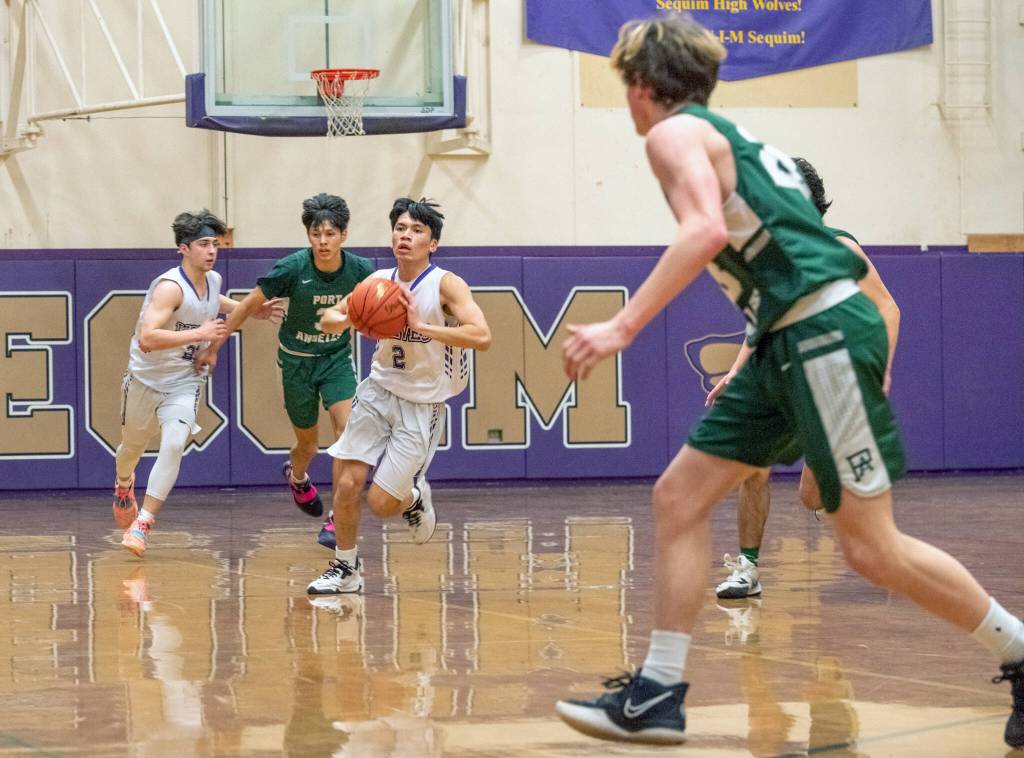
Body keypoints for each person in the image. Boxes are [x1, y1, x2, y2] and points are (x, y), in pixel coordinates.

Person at [555, 16, 1024, 749]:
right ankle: (660, 693)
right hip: (786, 339)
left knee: (872, 549)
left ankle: (1019, 648)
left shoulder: (673, 134)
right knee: (679, 496)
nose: (627, 100)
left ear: (642, 86)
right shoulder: (734, 140)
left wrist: (623, 325)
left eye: (625, 86)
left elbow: (704, 232)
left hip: (822, 336)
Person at [711, 157, 901, 601]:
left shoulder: (841, 249)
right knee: (752, 469)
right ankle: (748, 568)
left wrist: (881, 370)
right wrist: (737, 373)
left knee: (811, 497)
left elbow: (888, 308)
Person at [306, 197, 491, 595]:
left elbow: (482, 336)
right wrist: (350, 317)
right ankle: (346, 569)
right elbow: (328, 319)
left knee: (381, 503)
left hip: (423, 404)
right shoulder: (377, 283)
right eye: (400, 228)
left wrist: (424, 327)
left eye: (417, 231)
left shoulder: (445, 284)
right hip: (377, 390)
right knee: (347, 484)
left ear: (433, 243)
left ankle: (413, 498)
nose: (406, 236)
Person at [195, 193, 372, 540]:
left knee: (348, 435)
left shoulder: (361, 270)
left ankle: (337, 516)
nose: (323, 241)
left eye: (330, 234)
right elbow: (246, 305)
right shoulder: (293, 268)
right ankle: (297, 476)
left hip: (336, 360)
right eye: (316, 234)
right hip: (297, 363)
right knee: (308, 446)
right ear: (308, 235)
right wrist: (214, 347)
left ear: (344, 235)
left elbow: (389, 302)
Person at [113, 210, 274, 556]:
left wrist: (247, 310)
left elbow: (215, 302)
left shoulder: (213, 280)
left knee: (173, 444)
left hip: (184, 381)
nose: (211, 250)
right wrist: (199, 334)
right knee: (132, 449)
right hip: (145, 379)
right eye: (203, 244)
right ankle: (124, 483)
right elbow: (147, 339)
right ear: (183, 248)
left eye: (215, 244)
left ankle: (142, 525)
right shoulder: (169, 288)